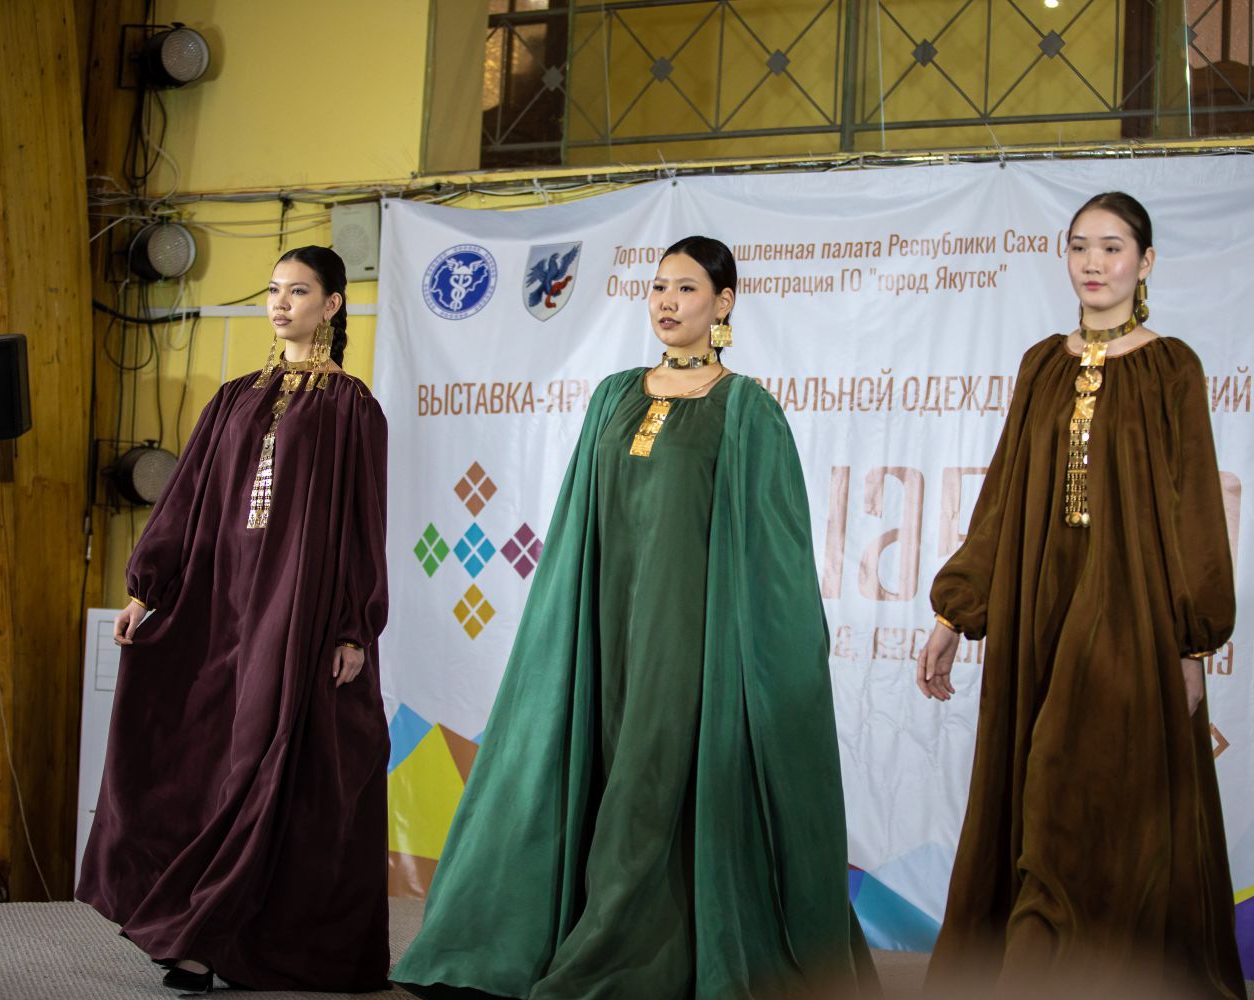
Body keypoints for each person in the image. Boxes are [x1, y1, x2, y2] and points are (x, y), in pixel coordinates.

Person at [392, 236, 879, 999]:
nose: (667, 302)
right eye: (658, 287)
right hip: (604, 630)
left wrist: (772, 656)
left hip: (688, 638)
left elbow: (776, 550)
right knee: (592, 765)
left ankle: (634, 947)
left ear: (723, 303)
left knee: (655, 777)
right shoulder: (614, 397)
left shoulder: (745, 410)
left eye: (686, 289)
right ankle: (546, 936)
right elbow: (578, 524)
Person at [915, 193, 1245, 998]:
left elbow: (1195, 508)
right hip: (1038, 609)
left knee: (1095, 795)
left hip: (1132, 617)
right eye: (1079, 247)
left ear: (1146, 261)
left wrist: (1192, 643)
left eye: (1113, 247)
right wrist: (957, 611)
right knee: (1037, 789)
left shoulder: (1172, 367)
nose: (1094, 263)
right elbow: (1003, 495)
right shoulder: (1042, 364)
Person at [77, 246, 391, 994]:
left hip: (298, 610)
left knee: (271, 761)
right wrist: (146, 591)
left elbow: (363, 523)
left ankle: (204, 937)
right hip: (220, 605)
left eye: (299, 291)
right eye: (274, 290)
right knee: (202, 754)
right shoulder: (233, 398)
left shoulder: (352, 408)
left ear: (333, 304)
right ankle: (191, 920)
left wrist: (354, 626)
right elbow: (185, 500)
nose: (280, 303)